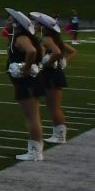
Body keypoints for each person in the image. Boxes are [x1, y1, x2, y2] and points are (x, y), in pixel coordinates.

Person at [5, 9, 48, 162]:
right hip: (30, 81)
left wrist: (25, 68)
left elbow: (32, 51)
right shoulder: (24, 37)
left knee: (32, 118)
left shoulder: (21, 38)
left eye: (10, 20)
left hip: (27, 82)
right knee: (33, 116)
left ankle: (35, 151)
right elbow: (40, 50)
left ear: (16, 24)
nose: (7, 22)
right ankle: (36, 149)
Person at [32, 11, 76, 144]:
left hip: (51, 75)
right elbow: (72, 51)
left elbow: (56, 52)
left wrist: (47, 63)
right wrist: (64, 61)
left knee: (53, 107)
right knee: (54, 106)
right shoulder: (55, 38)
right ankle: (59, 134)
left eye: (38, 23)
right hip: (55, 74)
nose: (35, 25)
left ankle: (60, 135)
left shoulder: (47, 39)